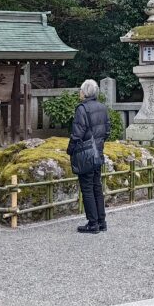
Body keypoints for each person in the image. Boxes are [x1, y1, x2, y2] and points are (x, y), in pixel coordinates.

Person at [69, 79, 110, 234]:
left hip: (86, 154)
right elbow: (107, 131)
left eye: (80, 90)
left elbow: (77, 133)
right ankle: (101, 221)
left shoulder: (82, 109)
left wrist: (71, 150)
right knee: (96, 186)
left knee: (87, 187)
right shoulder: (102, 108)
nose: (79, 93)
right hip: (98, 151)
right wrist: (98, 144)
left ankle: (93, 223)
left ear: (85, 92)